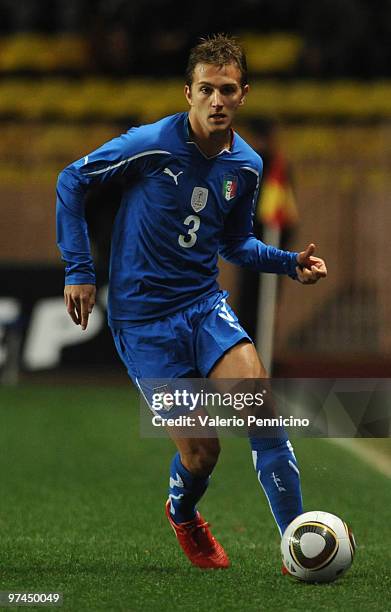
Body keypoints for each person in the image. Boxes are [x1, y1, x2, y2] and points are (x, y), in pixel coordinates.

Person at [56, 34, 327, 571]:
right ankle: (183, 512)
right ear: (188, 93)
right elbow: (72, 180)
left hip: (204, 307)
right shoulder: (151, 143)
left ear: (243, 93)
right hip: (144, 322)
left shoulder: (246, 165)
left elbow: (233, 244)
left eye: (227, 89)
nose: (217, 101)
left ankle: (301, 545)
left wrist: (288, 263)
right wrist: (80, 269)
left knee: (260, 409)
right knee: (204, 453)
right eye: (206, 89)